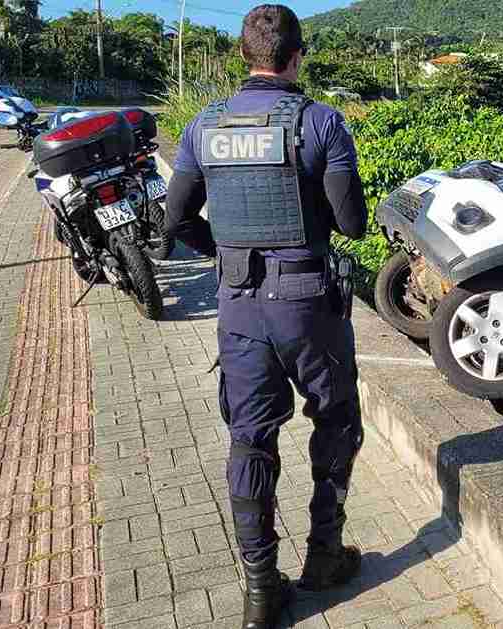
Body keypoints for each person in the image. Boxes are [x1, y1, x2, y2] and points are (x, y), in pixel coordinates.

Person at [164, 5, 368, 628]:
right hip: (309, 307)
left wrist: (226, 254)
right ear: (297, 55)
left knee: (250, 440)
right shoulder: (322, 123)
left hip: (239, 308)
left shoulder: (204, 126)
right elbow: (353, 224)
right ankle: (323, 558)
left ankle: (260, 593)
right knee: (335, 422)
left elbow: (174, 223)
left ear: (244, 56)